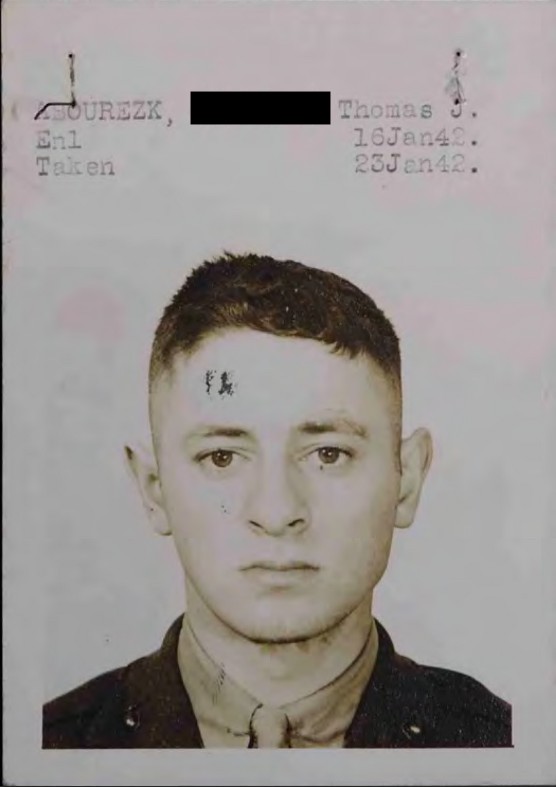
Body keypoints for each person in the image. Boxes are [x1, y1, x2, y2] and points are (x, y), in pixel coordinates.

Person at [43, 252, 512, 748]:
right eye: (222, 457)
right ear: (153, 489)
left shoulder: (503, 746)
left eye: (328, 454)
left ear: (408, 479)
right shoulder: (51, 750)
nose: (276, 511)